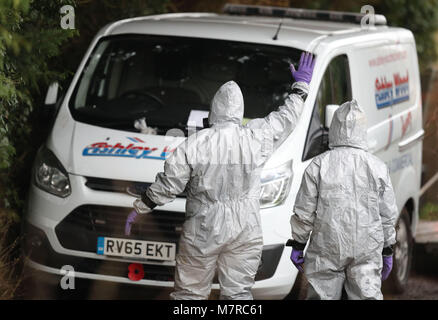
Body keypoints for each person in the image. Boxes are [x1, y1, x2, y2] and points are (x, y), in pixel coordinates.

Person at [126, 52, 315, 300]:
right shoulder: (255, 138)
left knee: (190, 293)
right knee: (238, 294)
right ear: (239, 111)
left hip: (203, 226)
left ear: (214, 108)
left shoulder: (195, 143)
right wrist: (300, 88)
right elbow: (286, 119)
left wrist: (142, 206)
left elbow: (169, 183)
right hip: (245, 226)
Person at [289, 100, 398, 300]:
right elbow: (387, 214)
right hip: (366, 247)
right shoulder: (377, 167)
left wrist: (298, 243)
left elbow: (304, 211)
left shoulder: (318, 165)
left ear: (335, 127)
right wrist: (388, 247)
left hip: (327, 246)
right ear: (363, 129)